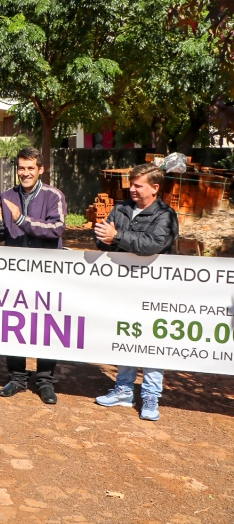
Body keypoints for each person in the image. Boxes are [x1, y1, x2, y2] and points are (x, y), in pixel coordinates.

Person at [93, 163, 178, 421]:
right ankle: (124, 389)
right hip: (123, 288)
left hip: (154, 291)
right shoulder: (120, 209)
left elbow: (154, 244)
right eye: (131, 184)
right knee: (125, 335)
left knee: (152, 341)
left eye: (138, 185)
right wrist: (104, 237)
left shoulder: (166, 215)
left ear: (155, 188)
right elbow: (101, 237)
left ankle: (151, 395)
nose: (132, 189)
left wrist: (117, 237)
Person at [0, 146, 67, 404]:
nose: (25, 173)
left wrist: (20, 218)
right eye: (21, 168)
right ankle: (17, 377)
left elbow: (56, 228)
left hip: (47, 273)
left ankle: (45, 380)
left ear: (41, 169)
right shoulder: (7, 196)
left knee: (46, 327)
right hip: (15, 273)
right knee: (14, 323)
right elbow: (0, 236)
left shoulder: (54, 196)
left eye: (30, 168)